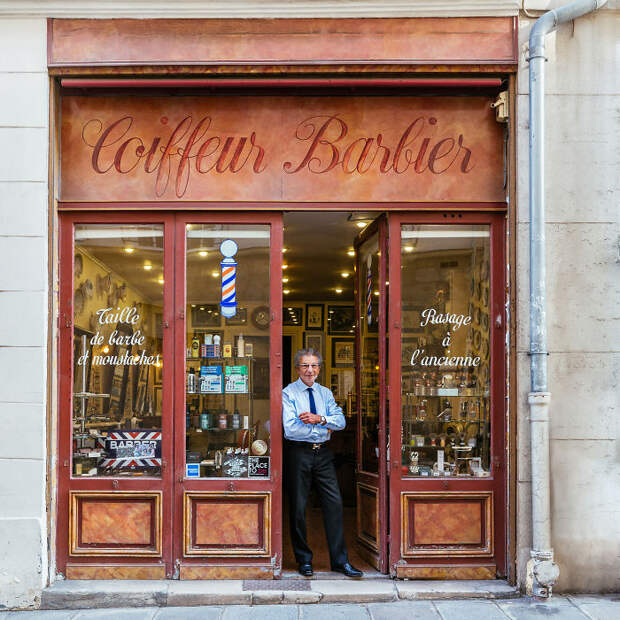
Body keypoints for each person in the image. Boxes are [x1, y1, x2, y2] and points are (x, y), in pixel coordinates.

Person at [282, 348, 363, 578]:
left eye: (314, 365)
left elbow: (340, 422)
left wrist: (320, 418)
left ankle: (340, 561)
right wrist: (323, 426)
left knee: (334, 505)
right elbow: (291, 428)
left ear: (319, 368)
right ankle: (304, 560)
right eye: (305, 366)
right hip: (299, 454)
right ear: (298, 368)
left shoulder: (325, 393)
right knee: (298, 507)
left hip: (324, 454)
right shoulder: (288, 393)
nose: (310, 370)